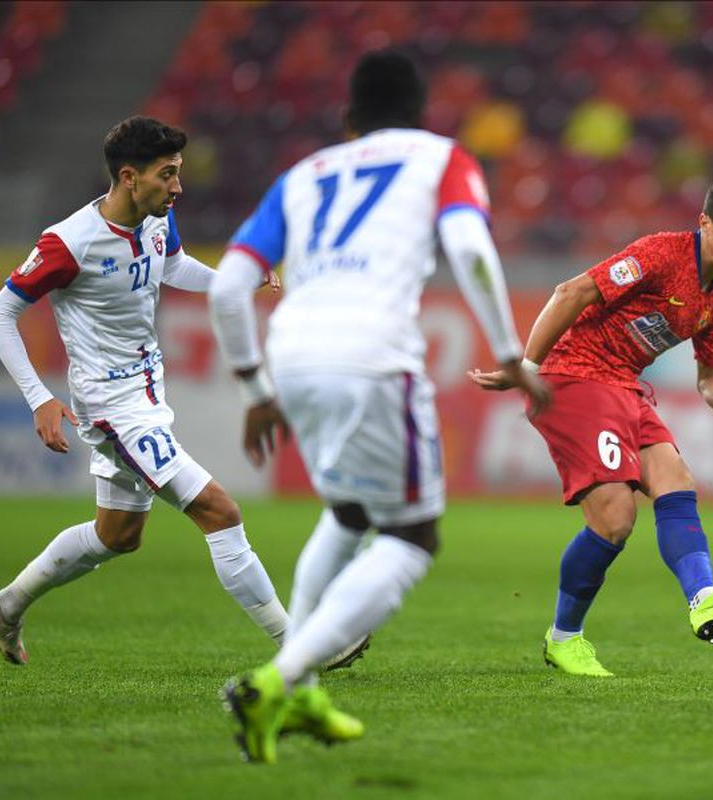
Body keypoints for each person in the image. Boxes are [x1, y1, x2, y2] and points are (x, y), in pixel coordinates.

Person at [208, 48, 548, 764]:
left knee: (351, 515)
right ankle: (278, 680)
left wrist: (252, 389)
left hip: (292, 353)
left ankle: (299, 696)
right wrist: (511, 351)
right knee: (413, 539)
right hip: (372, 355)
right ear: (421, 114)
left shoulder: (301, 177)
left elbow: (227, 287)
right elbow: (470, 247)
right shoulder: (442, 158)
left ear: (347, 118)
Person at [0, 116, 305, 667]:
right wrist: (40, 396)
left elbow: (173, 266)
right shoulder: (68, 243)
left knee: (117, 535)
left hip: (146, 396)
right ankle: (298, 644)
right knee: (219, 510)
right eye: (168, 175)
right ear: (130, 177)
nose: (178, 187)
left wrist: (235, 280)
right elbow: (1, 313)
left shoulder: (159, 218)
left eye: (178, 173)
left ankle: (6, 605)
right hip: (113, 409)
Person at [470, 176, 713, 677]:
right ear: (704, 223)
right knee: (615, 517)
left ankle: (705, 599)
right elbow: (571, 291)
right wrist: (525, 370)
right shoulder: (662, 253)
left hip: (623, 385)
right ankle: (565, 639)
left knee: (675, 481)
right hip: (572, 375)